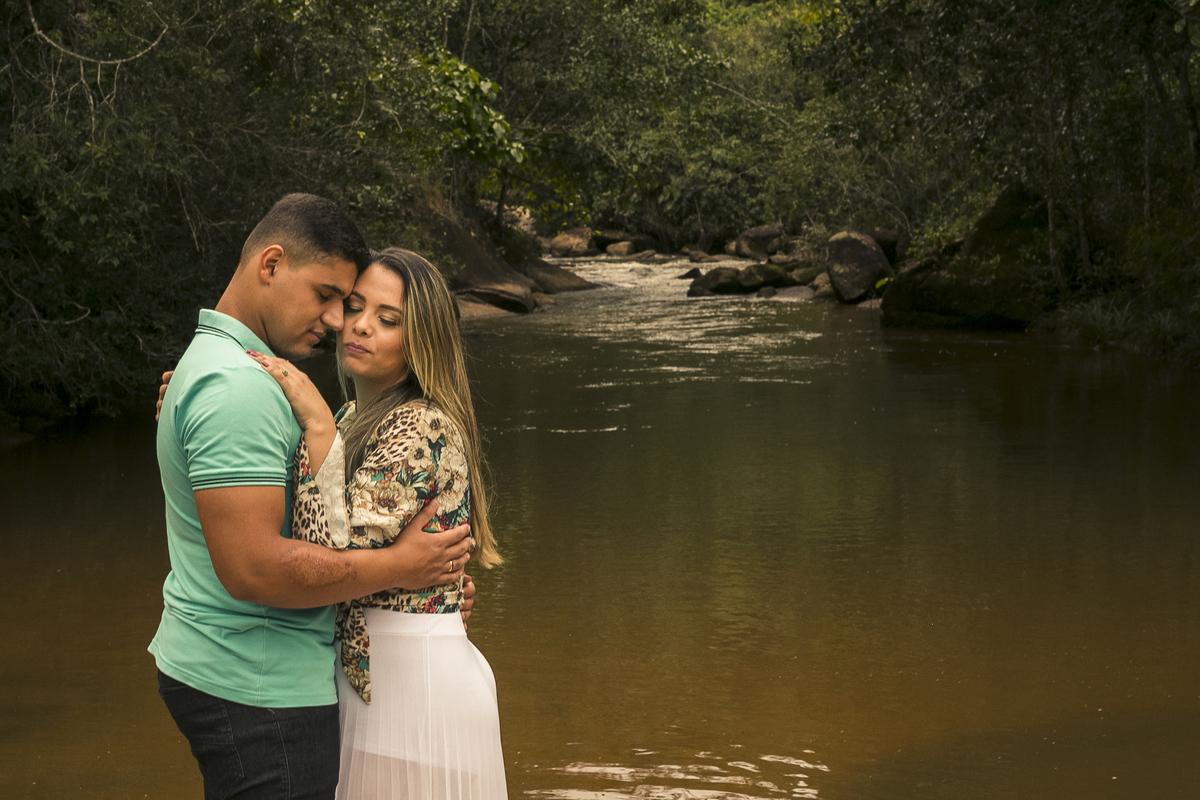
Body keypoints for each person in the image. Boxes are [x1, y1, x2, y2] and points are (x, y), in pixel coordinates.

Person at [151, 195, 476, 800]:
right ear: (270, 265)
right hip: (262, 683)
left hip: (379, 677)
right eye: (340, 301)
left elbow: (348, 535)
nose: (342, 322)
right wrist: (403, 569)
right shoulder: (254, 390)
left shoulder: (387, 419)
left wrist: (431, 584)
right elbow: (259, 566)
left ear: (420, 339)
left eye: (387, 317)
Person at [248, 247, 507, 800]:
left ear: (421, 341)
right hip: (377, 678)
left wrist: (316, 422)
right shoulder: (353, 418)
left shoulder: (422, 426)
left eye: (388, 319)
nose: (359, 326)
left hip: (415, 686)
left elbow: (326, 555)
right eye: (355, 306)